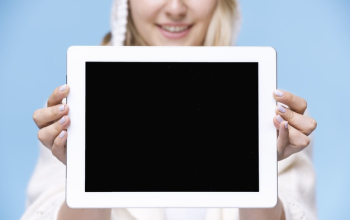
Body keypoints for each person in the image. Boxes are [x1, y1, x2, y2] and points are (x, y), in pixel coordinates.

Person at [21, 0, 318, 219]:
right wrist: (86, 170)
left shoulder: (273, 116)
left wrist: (262, 166)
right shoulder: (78, 109)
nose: (175, 7)